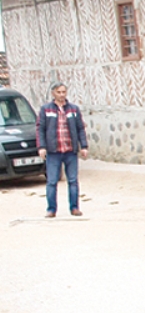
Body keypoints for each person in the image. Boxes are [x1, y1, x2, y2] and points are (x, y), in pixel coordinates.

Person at [36, 82, 88, 218]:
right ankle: (51, 209)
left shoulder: (73, 109)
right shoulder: (46, 110)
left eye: (63, 92)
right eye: (59, 92)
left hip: (70, 151)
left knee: (73, 181)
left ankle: (75, 208)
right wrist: (41, 147)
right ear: (53, 93)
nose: (61, 95)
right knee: (52, 182)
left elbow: (80, 128)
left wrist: (84, 146)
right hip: (54, 152)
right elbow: (40, 129)